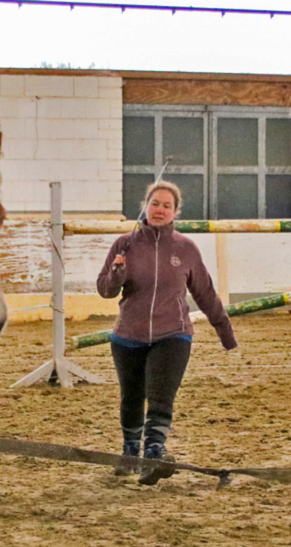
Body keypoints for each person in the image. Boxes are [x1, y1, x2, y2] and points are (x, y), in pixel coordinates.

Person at [96, 180, 237, 485]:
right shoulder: (124, 243)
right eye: (155, 203)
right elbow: (105, 290)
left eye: (167, 205)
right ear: (145, 206)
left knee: (161, 398)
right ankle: (130, 451)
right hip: (128, 336)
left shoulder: (186, 249)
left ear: (176, 212)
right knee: (131, 398)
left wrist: (224, 331)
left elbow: (206, 293)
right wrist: (117, 274)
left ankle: (154, 454)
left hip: (173, 334)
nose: (160, 210)